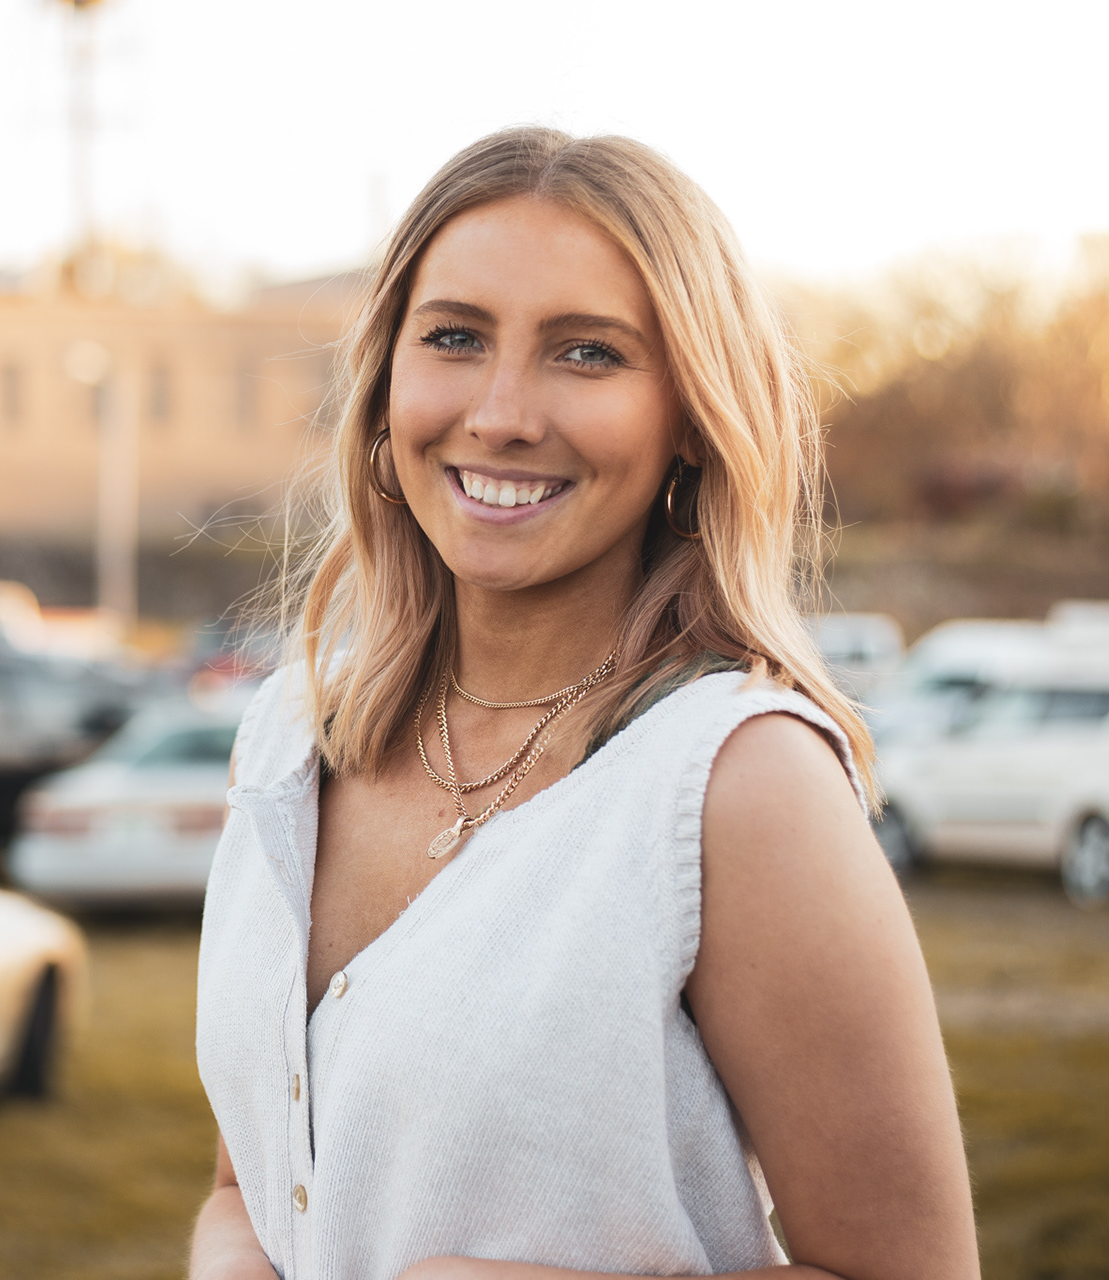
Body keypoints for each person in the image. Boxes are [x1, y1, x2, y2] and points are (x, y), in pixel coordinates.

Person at [189, 128, 976, 1280]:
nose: (502, 412)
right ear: (386, 379)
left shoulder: (739, 789)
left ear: (692, 415)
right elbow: (248, 1183)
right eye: (455, 336)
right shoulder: (289, 741)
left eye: (588, 353)